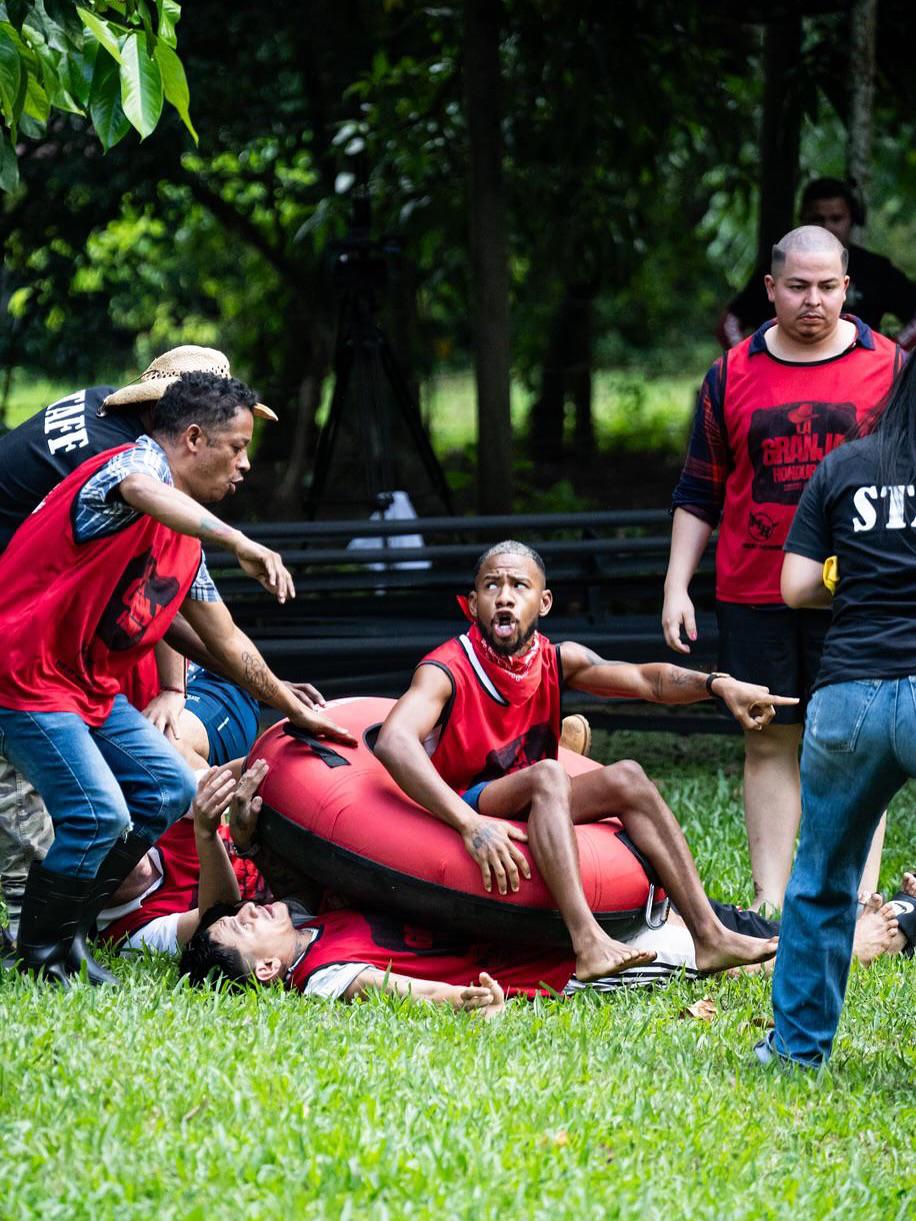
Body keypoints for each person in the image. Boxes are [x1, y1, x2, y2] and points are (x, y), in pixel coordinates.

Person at [0, 370, 353, 987]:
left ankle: (68, 934)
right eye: (237, 447)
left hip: (82, 684)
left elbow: (225, 639)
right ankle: (40, 954)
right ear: (193, 437)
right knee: (97, 813)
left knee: (166, 787)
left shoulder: (184, 544)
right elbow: (137, 486)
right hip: (22, 674)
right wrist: (237, 538)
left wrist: (287, 703)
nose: (245, 465)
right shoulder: (132, 465)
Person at [367, 539, 793, 985]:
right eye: (492, 586)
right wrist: (468, 824)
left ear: (543, 601)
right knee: (550, 773)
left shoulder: (555, 659)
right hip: (471, 800)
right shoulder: (446, 668)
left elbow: (649, 681)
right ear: (474, 604)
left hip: (533, 794)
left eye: (519, 585)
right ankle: (587, 941)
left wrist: (717, 684)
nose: (505, 596)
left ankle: (710, 935)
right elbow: (394, 742)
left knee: (627, 775)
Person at [664, 225, 903, 911]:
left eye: (828, 286)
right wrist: (677, 584)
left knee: (862, 743)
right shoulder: (731, 374)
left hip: (862, 594)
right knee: (769, 738)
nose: (813, 301)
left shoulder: (889, 368)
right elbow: (700, 489)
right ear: (770, 288)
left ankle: (858, 898)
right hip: (752, 589)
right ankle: (771, 901)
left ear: (848, 287)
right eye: (797, 286)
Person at [756, 355, 916, 1066]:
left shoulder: (845, 465)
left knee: (821, 877)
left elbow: (794, 587)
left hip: (847, 694)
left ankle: (795, 1051)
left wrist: (856, 588)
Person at [717, 178, 916, 351]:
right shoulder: (779, 266)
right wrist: (750, 362)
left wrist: (893, 355)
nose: (827, 227)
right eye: (798, 286)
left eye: (836, 219)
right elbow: (730, 321)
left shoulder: (875, 269)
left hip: (860, 383)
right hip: (789, 378)